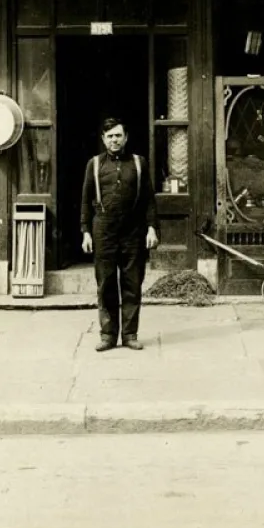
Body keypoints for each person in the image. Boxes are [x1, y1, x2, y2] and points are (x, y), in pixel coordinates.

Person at [80, 117, 159, 352]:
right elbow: (85, 201)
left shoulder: (138, 163)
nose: (114, 140)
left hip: (133, 230)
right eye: (110, 136)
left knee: (132, 282)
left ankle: (130, 334)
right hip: (103, 229)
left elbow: (149, 199)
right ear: (104, 140)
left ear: (126, 138)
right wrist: (85, 232)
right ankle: (107, 335)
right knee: (105, 283)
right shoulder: (94, 165)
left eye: (118, 135)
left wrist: (152, 227)